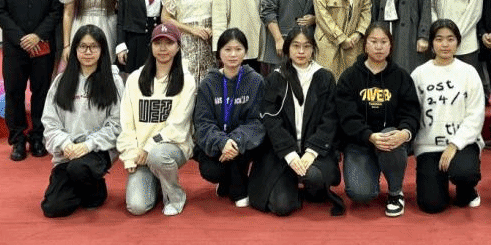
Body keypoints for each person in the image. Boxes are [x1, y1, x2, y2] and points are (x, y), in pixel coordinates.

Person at [248, 26, 344, 216]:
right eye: (296, 46)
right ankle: (289, 182)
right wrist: (290, 154)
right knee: (281, 207)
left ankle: (310, 187)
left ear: (313, 49)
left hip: (314, 151)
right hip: (282, 151)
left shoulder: (324, 77)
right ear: (287, 48)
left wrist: (311, 152)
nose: (301, 51)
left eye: (306, 46)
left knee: (314, 177)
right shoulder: (276, 78)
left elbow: (330, 119)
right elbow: (271, 121)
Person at [336, 22, 420, 217]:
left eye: (384, 42)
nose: (379, 47)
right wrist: (369, 136)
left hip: (390, 141)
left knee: (389, 135)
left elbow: (411, 112)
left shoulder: (401, 76)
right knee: (360, 194)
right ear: (365, 45)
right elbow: (346, 117)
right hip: (359, 142)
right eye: (374, 42)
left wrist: (404, 133)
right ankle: (372, 171)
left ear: (391, 46)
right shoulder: (349, 77)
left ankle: (395, 193)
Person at [0, 0, 61, 161]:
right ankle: (18, 139)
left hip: (43, 46)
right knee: (14, 92)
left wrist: (38, 35)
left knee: (41, 92)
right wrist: (21, 38)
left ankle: (38, 137)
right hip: (15, 48)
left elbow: (56, 11)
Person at [41, 25, 124, 217]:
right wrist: (66, 144)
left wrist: (88, 145)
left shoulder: (113, 81)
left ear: (102, 50)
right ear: (75, 49)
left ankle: (96, 192)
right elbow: (50, 122)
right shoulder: (61, 81)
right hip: (67, 151)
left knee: (79, 169)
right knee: (53, 208)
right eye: (83, 46)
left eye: (93, 47)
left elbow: (117, 124)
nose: (88, 52)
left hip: (97, 150)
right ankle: (79, 187)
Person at [117, 23, 197, 216]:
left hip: (171, 148)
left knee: (158, 156)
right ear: (151, 46)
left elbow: (178, 125)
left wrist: (149, 147)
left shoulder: (187, 80)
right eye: (158, 43)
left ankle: (175, 196)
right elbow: (126, 123)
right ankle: (159, 181)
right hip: (141, 154)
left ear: (178, 47)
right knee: (137, 206)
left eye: (169, 43)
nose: (163, 48)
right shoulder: (135, 79)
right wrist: (131, 154)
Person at [411, 20, 485, 213]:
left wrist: (454, 145)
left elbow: (475, 115)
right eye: (439, 39)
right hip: (429, 146)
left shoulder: (469, 73)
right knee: (431, 205)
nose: (445, 44)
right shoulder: (419, 74)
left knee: (464, 174)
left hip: (462, 144)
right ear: (431, 43)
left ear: (458, 42)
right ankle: (438, 182)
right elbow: (411, 112)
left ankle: (466, 189)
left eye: (450, 39)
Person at [193, 28, 266, 208]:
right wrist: (222, 142)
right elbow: (203, 122)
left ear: (245, 52)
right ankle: (232, 181)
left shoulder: (255, 81)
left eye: (238, 49)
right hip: (218, 145)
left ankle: (236, 185)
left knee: (248, 153)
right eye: (227, 49)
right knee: (211, 170)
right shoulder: (208, 84)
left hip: (244, 143)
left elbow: (257, 121)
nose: (233, 54)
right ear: (219, 52)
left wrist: (235, 140)